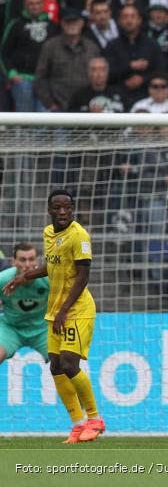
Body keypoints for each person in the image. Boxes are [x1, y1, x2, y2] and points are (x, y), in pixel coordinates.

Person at [4, 190, 105, 443]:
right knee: (56, 366)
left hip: (77, 309)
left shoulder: (79, 236)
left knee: (70, 364)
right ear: (49, 210)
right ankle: (78, 424)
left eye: (67, 208)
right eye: (57, 208)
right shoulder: (49, 234)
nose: (62, 212)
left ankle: (95, 419)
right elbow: (52, 265)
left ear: (73, 209)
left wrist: (63, 311)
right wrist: (24, 277)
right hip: (56, 311)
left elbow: (83, 276)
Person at [0, 243, 50, 364]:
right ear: (14, 262)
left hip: (42, 329)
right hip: (11, 329)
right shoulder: (3, 279)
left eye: (31, 259)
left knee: (63, 363)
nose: (27, 265)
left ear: (36, 261)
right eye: (22, 260)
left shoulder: (48, 280)